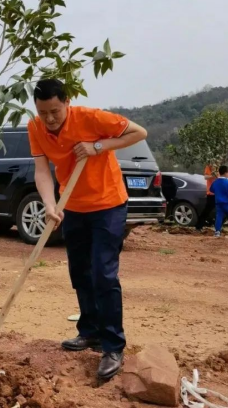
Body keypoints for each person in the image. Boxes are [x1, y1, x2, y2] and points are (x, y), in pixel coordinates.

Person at [28, 79, 147, 380]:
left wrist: (98, 145)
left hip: (108, 205)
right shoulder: (35, 129)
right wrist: (49, 203)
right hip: (74, 208)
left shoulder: (91, 118)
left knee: (103, 273)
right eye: (44, 113)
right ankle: (90, 332)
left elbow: (138, 132)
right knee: (80, 271)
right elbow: (42, 171)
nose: (50, 119)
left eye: (55, 110)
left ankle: (112, 346)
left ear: (67, 102)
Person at [196, 165, 228, 232]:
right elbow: (206, 177)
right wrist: (214, 176)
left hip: (221, 193)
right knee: (208, 210)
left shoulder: (220, 166)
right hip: (212, 193)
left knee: (227, 211)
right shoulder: (209, 166)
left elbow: (223, 177)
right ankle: (199, 226)